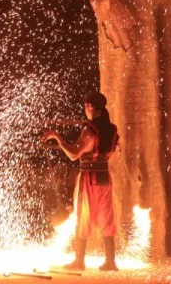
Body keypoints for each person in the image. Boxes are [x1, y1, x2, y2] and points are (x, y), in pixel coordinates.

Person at [42, 91, 119, 271]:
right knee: (107, 218)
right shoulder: (112, 129)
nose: (85, 110)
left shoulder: (90, 129)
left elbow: (73, 154)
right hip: (105, 178)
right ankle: (110, 261)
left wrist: (56, 136)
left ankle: (79, 260)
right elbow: (110, 152)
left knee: (82, 216)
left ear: (90, 107)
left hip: (89, 178)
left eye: (86, 106)